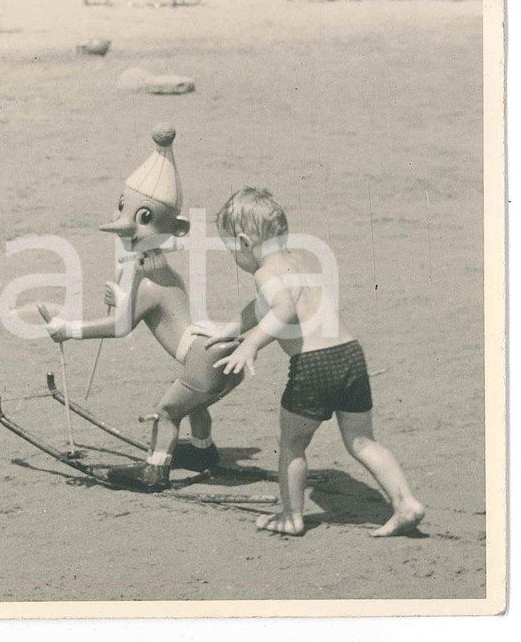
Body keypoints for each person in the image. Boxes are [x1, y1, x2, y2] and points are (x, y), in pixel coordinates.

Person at [205, 188, 425, 536]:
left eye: (231, 248)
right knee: (362, 441)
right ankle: (405, 502)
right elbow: (265, 306)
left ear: (244, 242)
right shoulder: (300, 262)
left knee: (292, 443)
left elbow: (282, 309)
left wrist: (250, 344)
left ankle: (291, 516)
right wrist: (231, 327)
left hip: (314, 364)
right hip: (349, 354)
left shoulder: (264, 273)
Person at [41, 126, 243, 493]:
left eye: (142, 215)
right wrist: (123, 297)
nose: (126, 221)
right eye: (124, 207)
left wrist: (68, 329)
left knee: (167, 412)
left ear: (175, 228)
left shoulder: (149, 282)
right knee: (194, 402)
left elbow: (120, 327)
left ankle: (155, 470)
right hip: (221, 359)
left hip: (203, 359)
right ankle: (202, 451)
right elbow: (157, 312)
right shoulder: (164, 272)